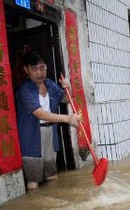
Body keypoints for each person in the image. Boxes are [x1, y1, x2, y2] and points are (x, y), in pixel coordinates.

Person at [16, 50, 81, 190]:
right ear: (26, 70)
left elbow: (65, 99)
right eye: (34, 69)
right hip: (31, 137)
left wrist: (67, 88)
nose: (40, 73)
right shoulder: (24, 90)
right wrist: (67, 118)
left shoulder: (50, 84)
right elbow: (40, 114)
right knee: (34, 181)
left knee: (52, 175)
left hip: (50, 133)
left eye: (42, 68)